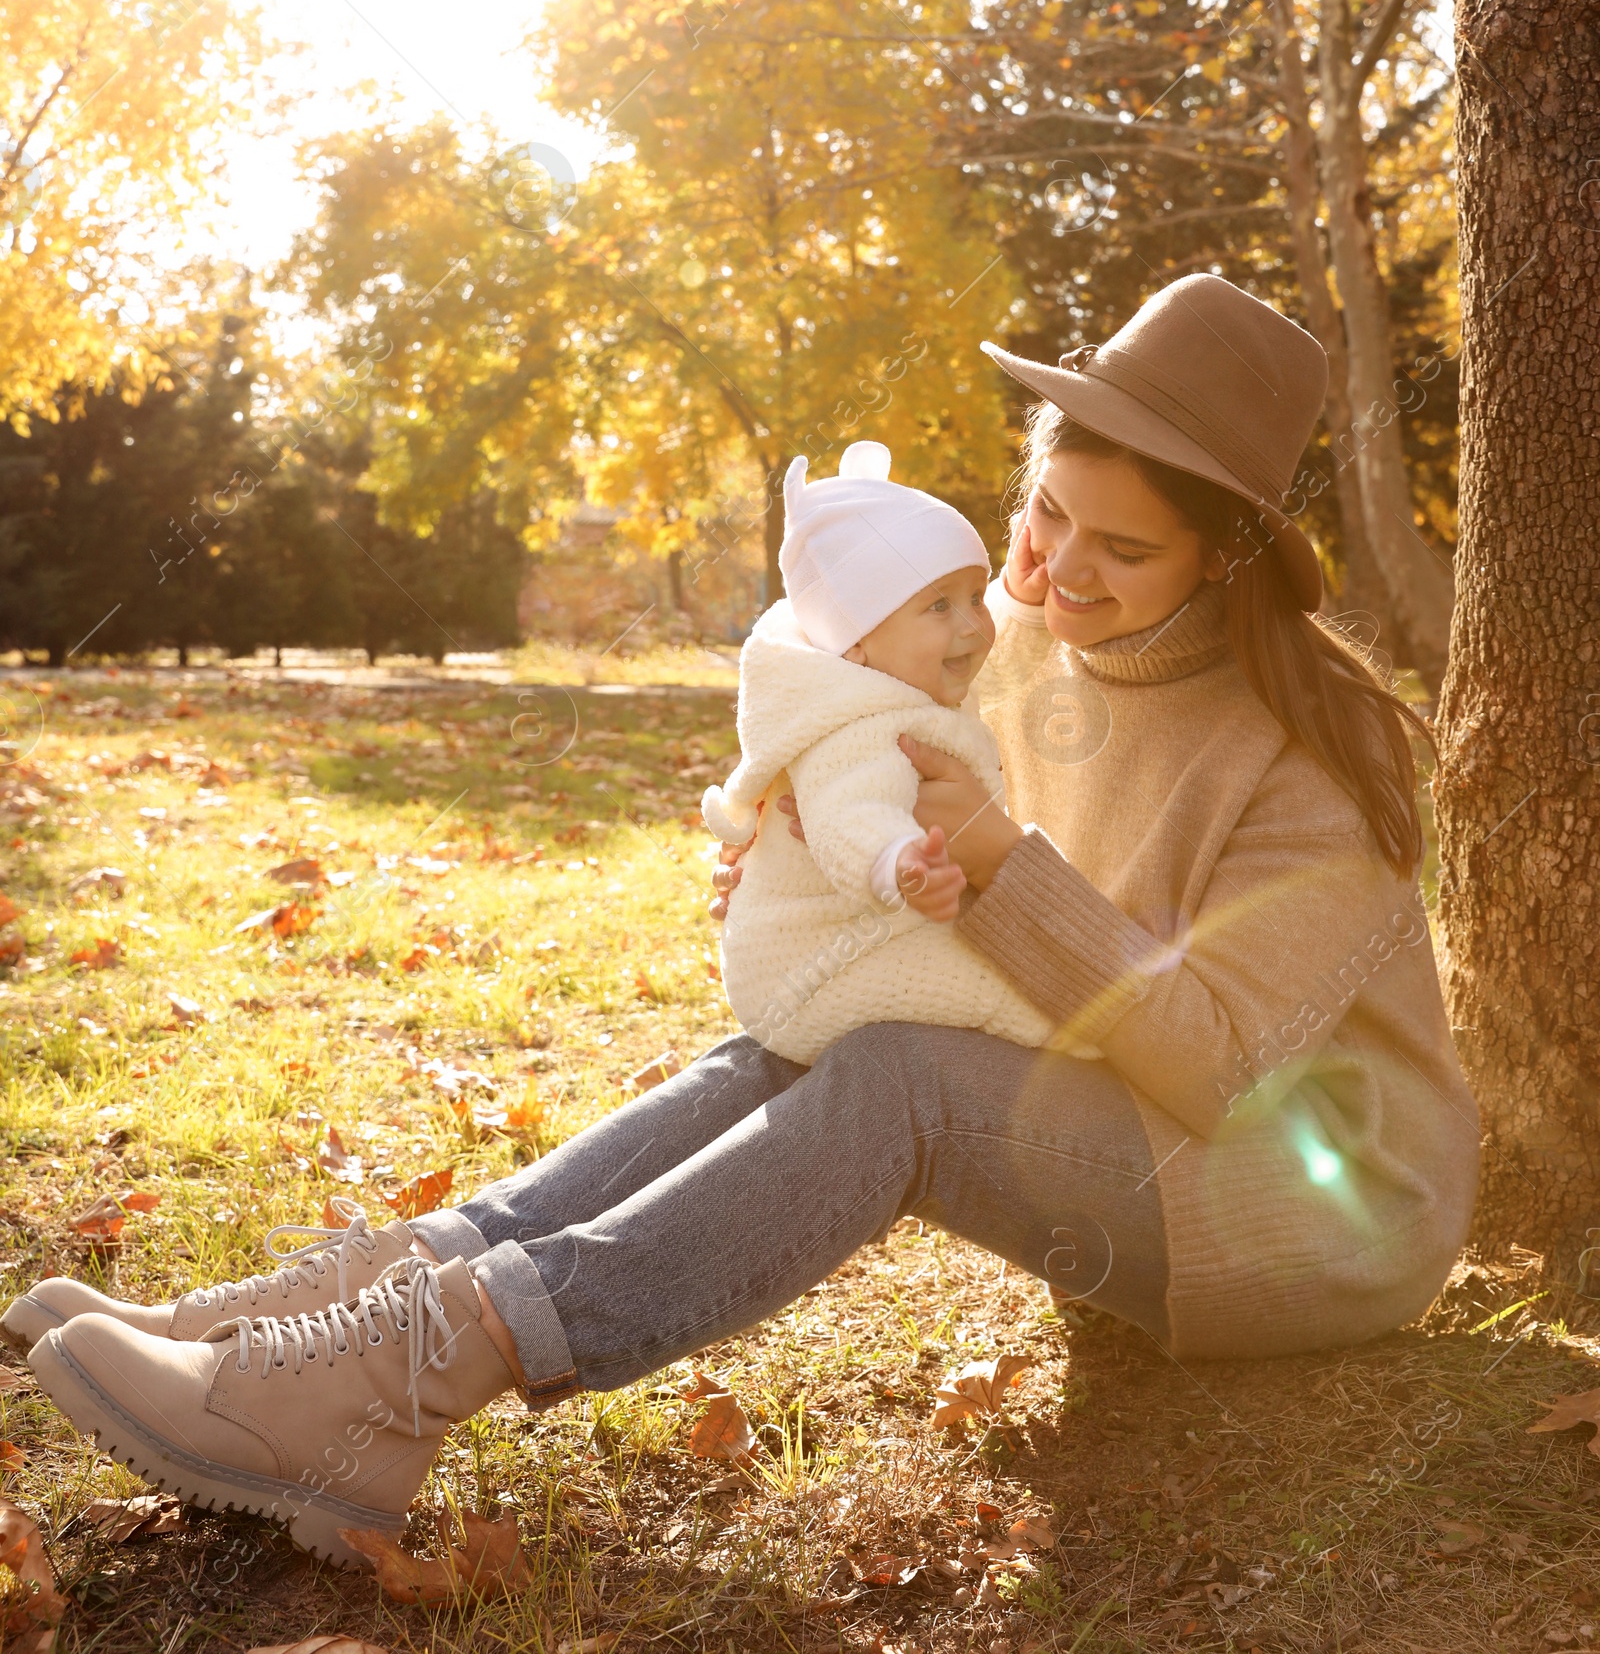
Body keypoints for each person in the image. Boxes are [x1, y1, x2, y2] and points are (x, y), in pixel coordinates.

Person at [14, 273, 1479, 1572]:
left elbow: (1215, 1064)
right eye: (1047, 514)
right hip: (1104, 1110)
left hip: (1289, 1209)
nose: (1060, 571)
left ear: (1225, 559)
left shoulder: (1318, 766)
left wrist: (1003, 865)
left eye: (1127, 551)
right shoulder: (1017, 648)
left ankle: (392, 1385)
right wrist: (816, 862)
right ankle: (320, 1323)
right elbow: (851, 748)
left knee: (893, 1076)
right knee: (791, 1044)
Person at [704, 438, 1048, 1061]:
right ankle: (1089, 1042)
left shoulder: (903, 681)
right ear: (855, 641)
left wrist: (1018, 602)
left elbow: (995, 680)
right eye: (939, 605)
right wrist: (900, 862)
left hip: (853, 939)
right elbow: (845, 818)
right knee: (1008, 991)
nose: (974, 624)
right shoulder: (859, 725)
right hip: (813, 966)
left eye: (977, 596)